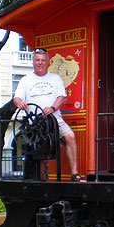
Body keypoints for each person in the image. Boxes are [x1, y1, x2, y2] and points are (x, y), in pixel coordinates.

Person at [13, 48, 84, 182]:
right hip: (35, 123)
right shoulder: (25, 80)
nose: (40, 63)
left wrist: (52, 108)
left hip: (55, 119)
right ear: (33, 62)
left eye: (43, 60)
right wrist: (20, 103)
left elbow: (62, 97)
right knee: (39, 147)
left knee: (70, 136)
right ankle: (41, 179)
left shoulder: (55, 78)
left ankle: (75, 174)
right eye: (37, 60)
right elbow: (17, 98)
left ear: (47, 62)